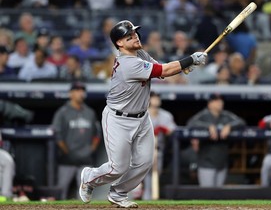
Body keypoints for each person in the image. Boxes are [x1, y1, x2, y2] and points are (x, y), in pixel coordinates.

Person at [78, 20, 207, 208]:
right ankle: (89, 177)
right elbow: (163, 70)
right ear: (120, 44)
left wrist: (186, 66)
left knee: (145, 162)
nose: (135, 36)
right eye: (129, 36)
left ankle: (118, 193)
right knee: (118, 167)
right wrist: (190, 60)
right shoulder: (127, 63)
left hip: (141, 116)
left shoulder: (140, 54)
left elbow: (162, 73)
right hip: (118, 118)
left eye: (135, 33)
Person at [51, 81, 101, 200]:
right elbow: (57, 134)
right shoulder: (63, 112)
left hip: (85, 160)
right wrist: (67, 151)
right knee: (61, 191)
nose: (80, 93)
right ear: (71, 94)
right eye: (77, 90)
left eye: (82, 91)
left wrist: (90, 149)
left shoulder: (90, 112)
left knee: (85, 195)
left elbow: (97, 134)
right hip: (67, 160)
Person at [187, 94, 245, 187]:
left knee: (219, 195)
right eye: (216, 101)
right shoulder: (204, 115)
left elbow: (241, 122)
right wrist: (208, 126)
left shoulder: (226, 115)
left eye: (221, 100)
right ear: (209, 104)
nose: (220, 103)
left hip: (222, 161)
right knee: (207, 194)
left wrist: (230, 126)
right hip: (206, 161)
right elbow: (190, 123)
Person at [141, 91, 177, 200]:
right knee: (144, 176)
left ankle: (150, 198)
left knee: (156, 174)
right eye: (154, 98)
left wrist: (164, 129)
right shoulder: (142, 113)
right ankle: (145, 196)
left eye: (158, 98)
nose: (156, 100)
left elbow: (173, 130)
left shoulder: (166, 115)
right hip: (141, 150)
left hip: (158, 150)